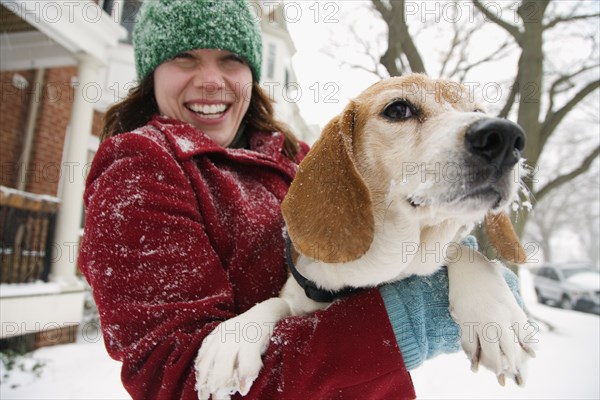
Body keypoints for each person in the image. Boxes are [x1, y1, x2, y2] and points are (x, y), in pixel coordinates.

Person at [78, 1, 522, 399]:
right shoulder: (139, 168)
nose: (211, 79)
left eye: (231, 59)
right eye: (184, 58)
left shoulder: (295, 158)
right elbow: (177, 381)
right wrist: (414, 314)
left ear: (251, 72)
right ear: (152, 72)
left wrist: (472, 268)